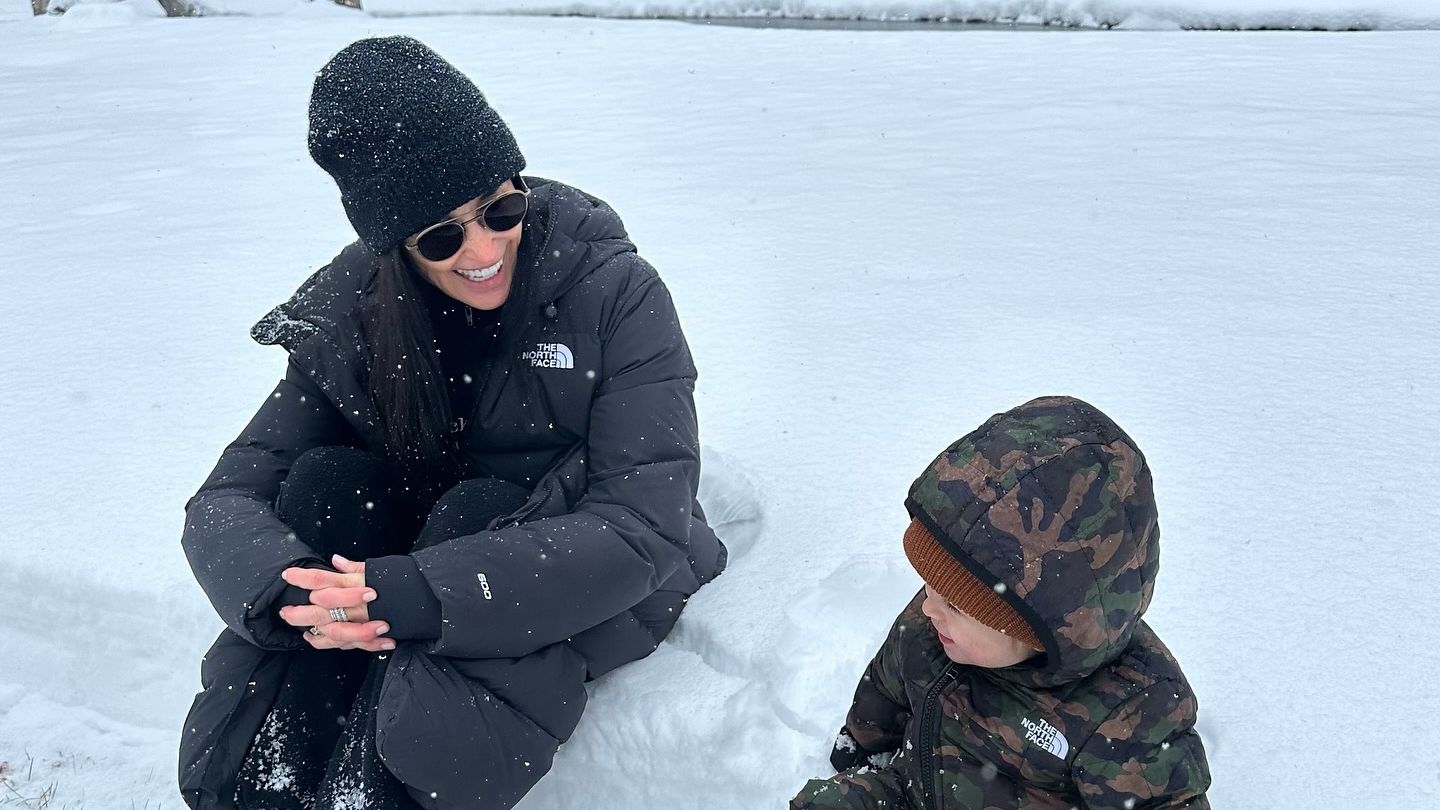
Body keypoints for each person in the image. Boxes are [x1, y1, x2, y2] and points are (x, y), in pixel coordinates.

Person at [176, 35, 726, 810]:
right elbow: (226, 500)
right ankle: (269, 782)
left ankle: (368, 794)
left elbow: (644, 528)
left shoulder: (614, 294)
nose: (483, 248)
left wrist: (417, 594)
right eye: (442, 235)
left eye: (501, 208)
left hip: (567, 572)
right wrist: (296, 595)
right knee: (328, 486)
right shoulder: (357, 311)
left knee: (474, 512)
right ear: (393, 245)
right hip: (406, 574)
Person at [791, 396, 1211, 809]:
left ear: (1034, 628)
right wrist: (860, 745)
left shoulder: (1129, 715)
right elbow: (887, 685)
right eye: (928, 585)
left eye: (955, 604)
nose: (928, 607)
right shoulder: (935, 625)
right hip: (913, 789)